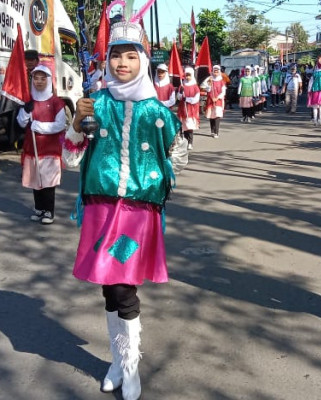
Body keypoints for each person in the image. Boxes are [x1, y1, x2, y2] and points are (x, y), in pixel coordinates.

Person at [62, 21, 187, 400]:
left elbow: (178, 155)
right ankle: (118, 362)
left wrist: (158, 178)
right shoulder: (94, 104)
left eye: (131, 56)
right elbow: (70, 160)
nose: (122, 63)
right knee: (108, 288)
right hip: (99, 208)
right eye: (116, 55)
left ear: (144, 61)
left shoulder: (157, 111)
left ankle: (130, 368)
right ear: (107, 61)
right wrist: (74, 126)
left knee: (123, 288)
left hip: (137, 214)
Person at [17, 65, 66, 224]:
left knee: (48, 182)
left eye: (42, 78)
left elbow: (60, 125)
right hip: (32, 149)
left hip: (49, 150)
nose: (39, 81)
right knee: (35, 180)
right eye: (36, 78)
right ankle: (38, 208)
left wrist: (37, 125)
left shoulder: (56, 102)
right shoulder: (29, 100)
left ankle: (49, 211)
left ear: (49, 80)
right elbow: (21, 122)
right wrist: (25, 111)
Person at [177, 67, 200, 150]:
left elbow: (196, 99)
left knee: (189, 126)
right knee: (184, 126)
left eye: (189, 75)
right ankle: (185, 141)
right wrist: (180, 92)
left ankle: (190, 142)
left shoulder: (195, 87)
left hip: (191, 110)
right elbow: (179, 98)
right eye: (186, 75)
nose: (187, 77)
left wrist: (187, 99)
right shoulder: (182, 86)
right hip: (183, 109)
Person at [204, 65, 226, 138]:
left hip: (218, 101)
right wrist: (209, 84)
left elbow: (223, 92)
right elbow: (206, 89)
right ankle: (212, 131)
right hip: (210, 100)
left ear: (219, 72)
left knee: (217, 116)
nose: (215, 73)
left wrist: (217, 98)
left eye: (217, 71)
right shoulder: (210, 80)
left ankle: (216, 132)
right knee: (211, 116)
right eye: (214, 71)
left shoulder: (221, 81)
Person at [307, 57, 321, 126]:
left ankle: (315, 120)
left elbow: (310, 83)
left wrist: (309, 91)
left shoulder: (314, 74)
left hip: (315, 91)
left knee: (314, 107)